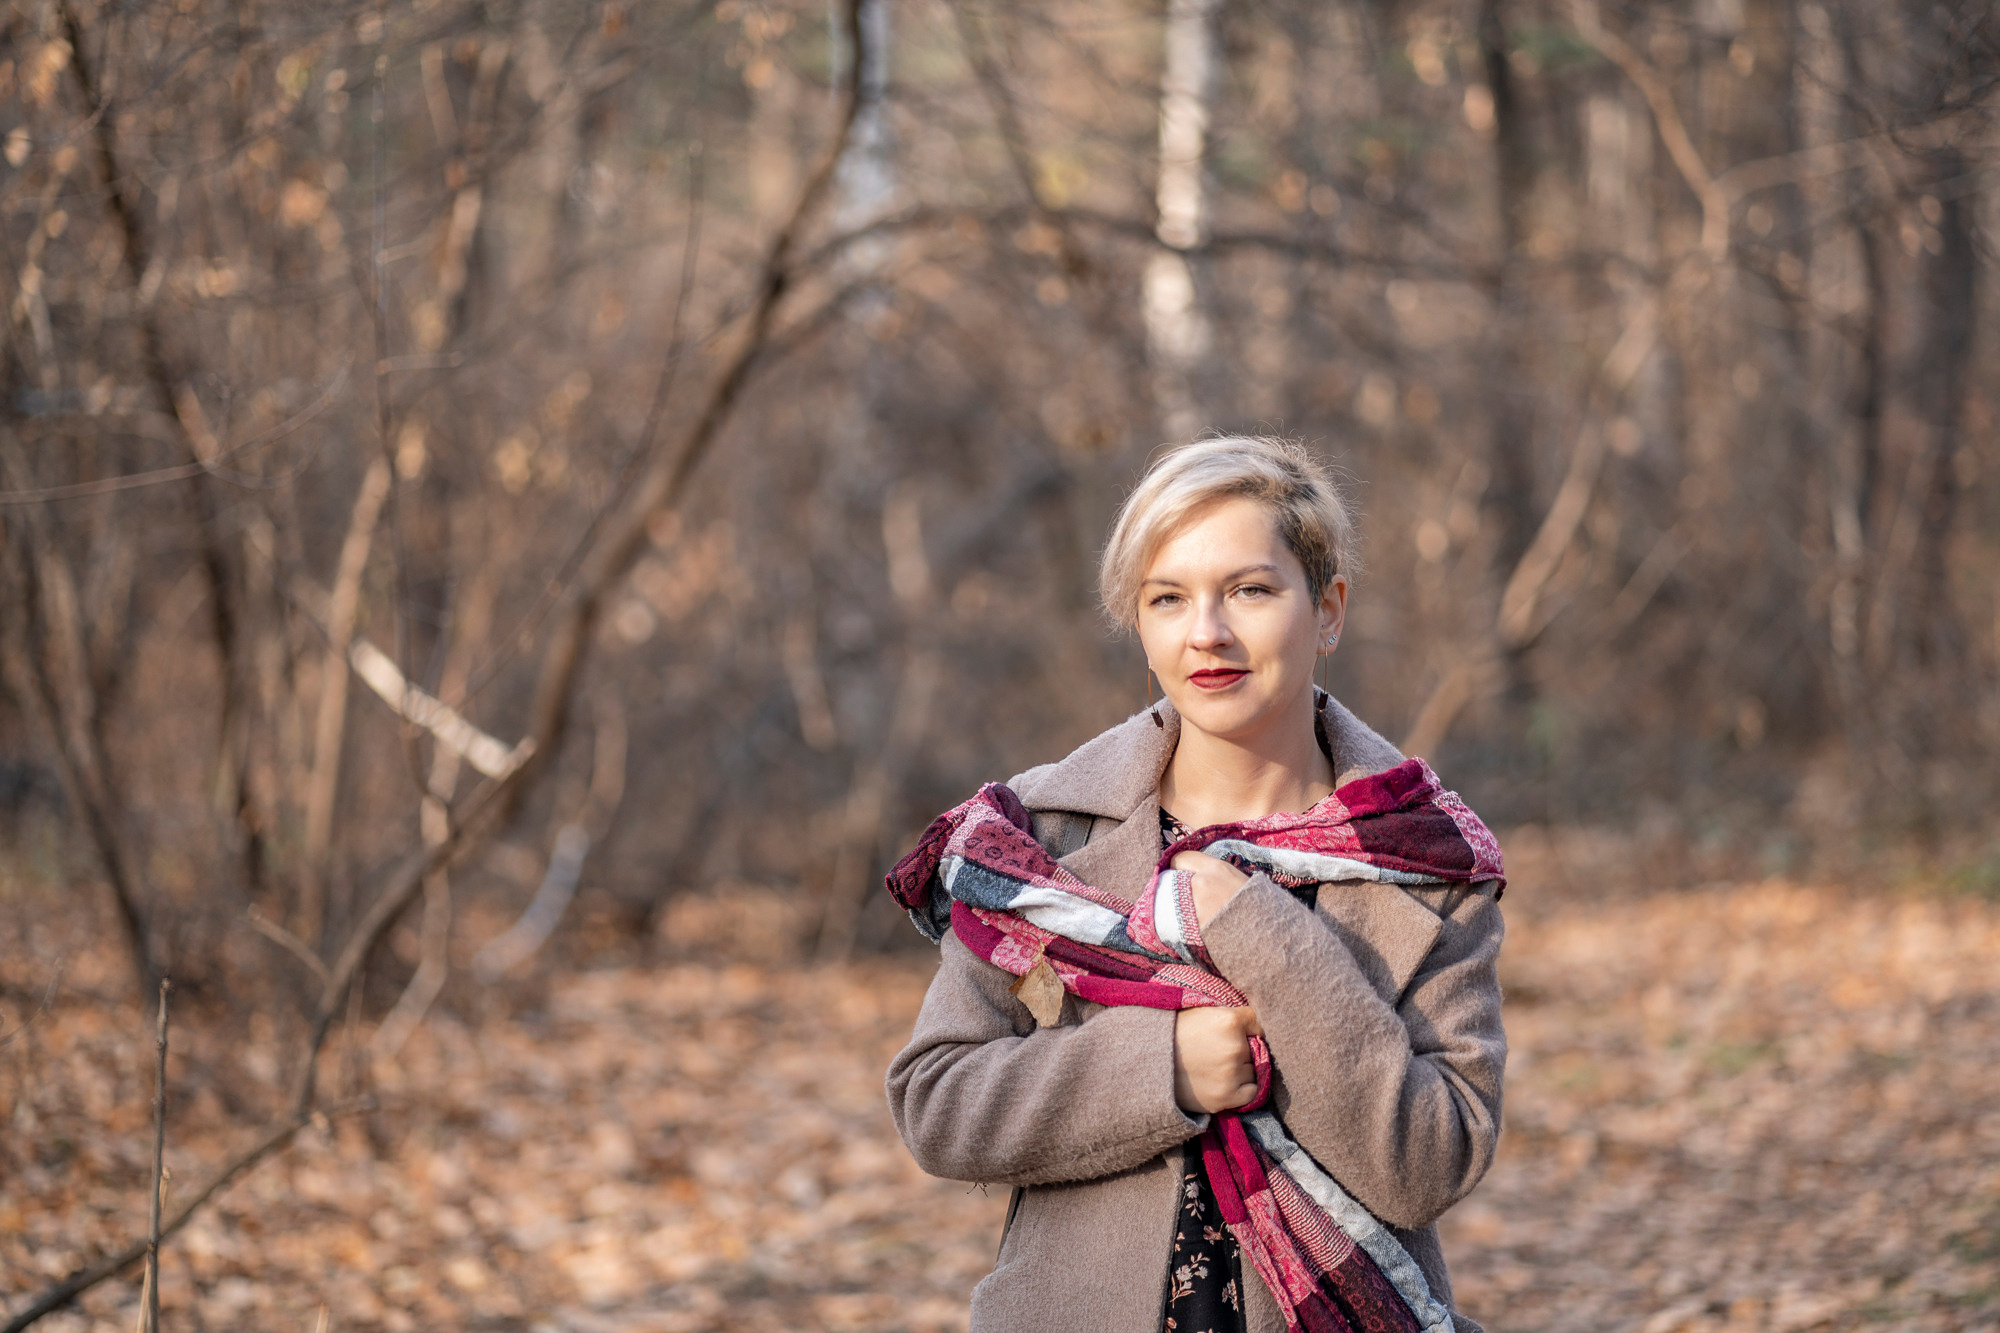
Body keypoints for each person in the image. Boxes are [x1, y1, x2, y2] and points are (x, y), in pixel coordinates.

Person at [885, 436, 1506, 1333]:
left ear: (1328, 609)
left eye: (1249, 590)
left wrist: (1265, 932)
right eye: (1168, 598)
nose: (1205, 632)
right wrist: (1163, 1066)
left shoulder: (1425, 856)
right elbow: (937, 1101)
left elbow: (1431, 1159)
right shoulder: (1039, 838)